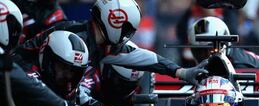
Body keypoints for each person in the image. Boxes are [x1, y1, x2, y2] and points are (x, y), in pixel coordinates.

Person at [14, 0, 207, 88]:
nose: (129, 35)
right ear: (116, 23)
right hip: (23, 90)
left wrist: (181, 72)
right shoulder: (73, 37)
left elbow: (144, 57)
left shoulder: (102, 43)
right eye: (128, 29)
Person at [21, 30, 89, 106]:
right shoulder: (27, 74)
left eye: (73, 71)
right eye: (63, 67)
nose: (69, 75)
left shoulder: (69, 85)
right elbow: (36, 90)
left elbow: (83, 97)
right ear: (48, 60)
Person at [188, 16, 259, 69]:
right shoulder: (191, 68)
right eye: (199, 52)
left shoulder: (242, 65)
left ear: (224, 45)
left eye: (210, 50)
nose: (205, 55)